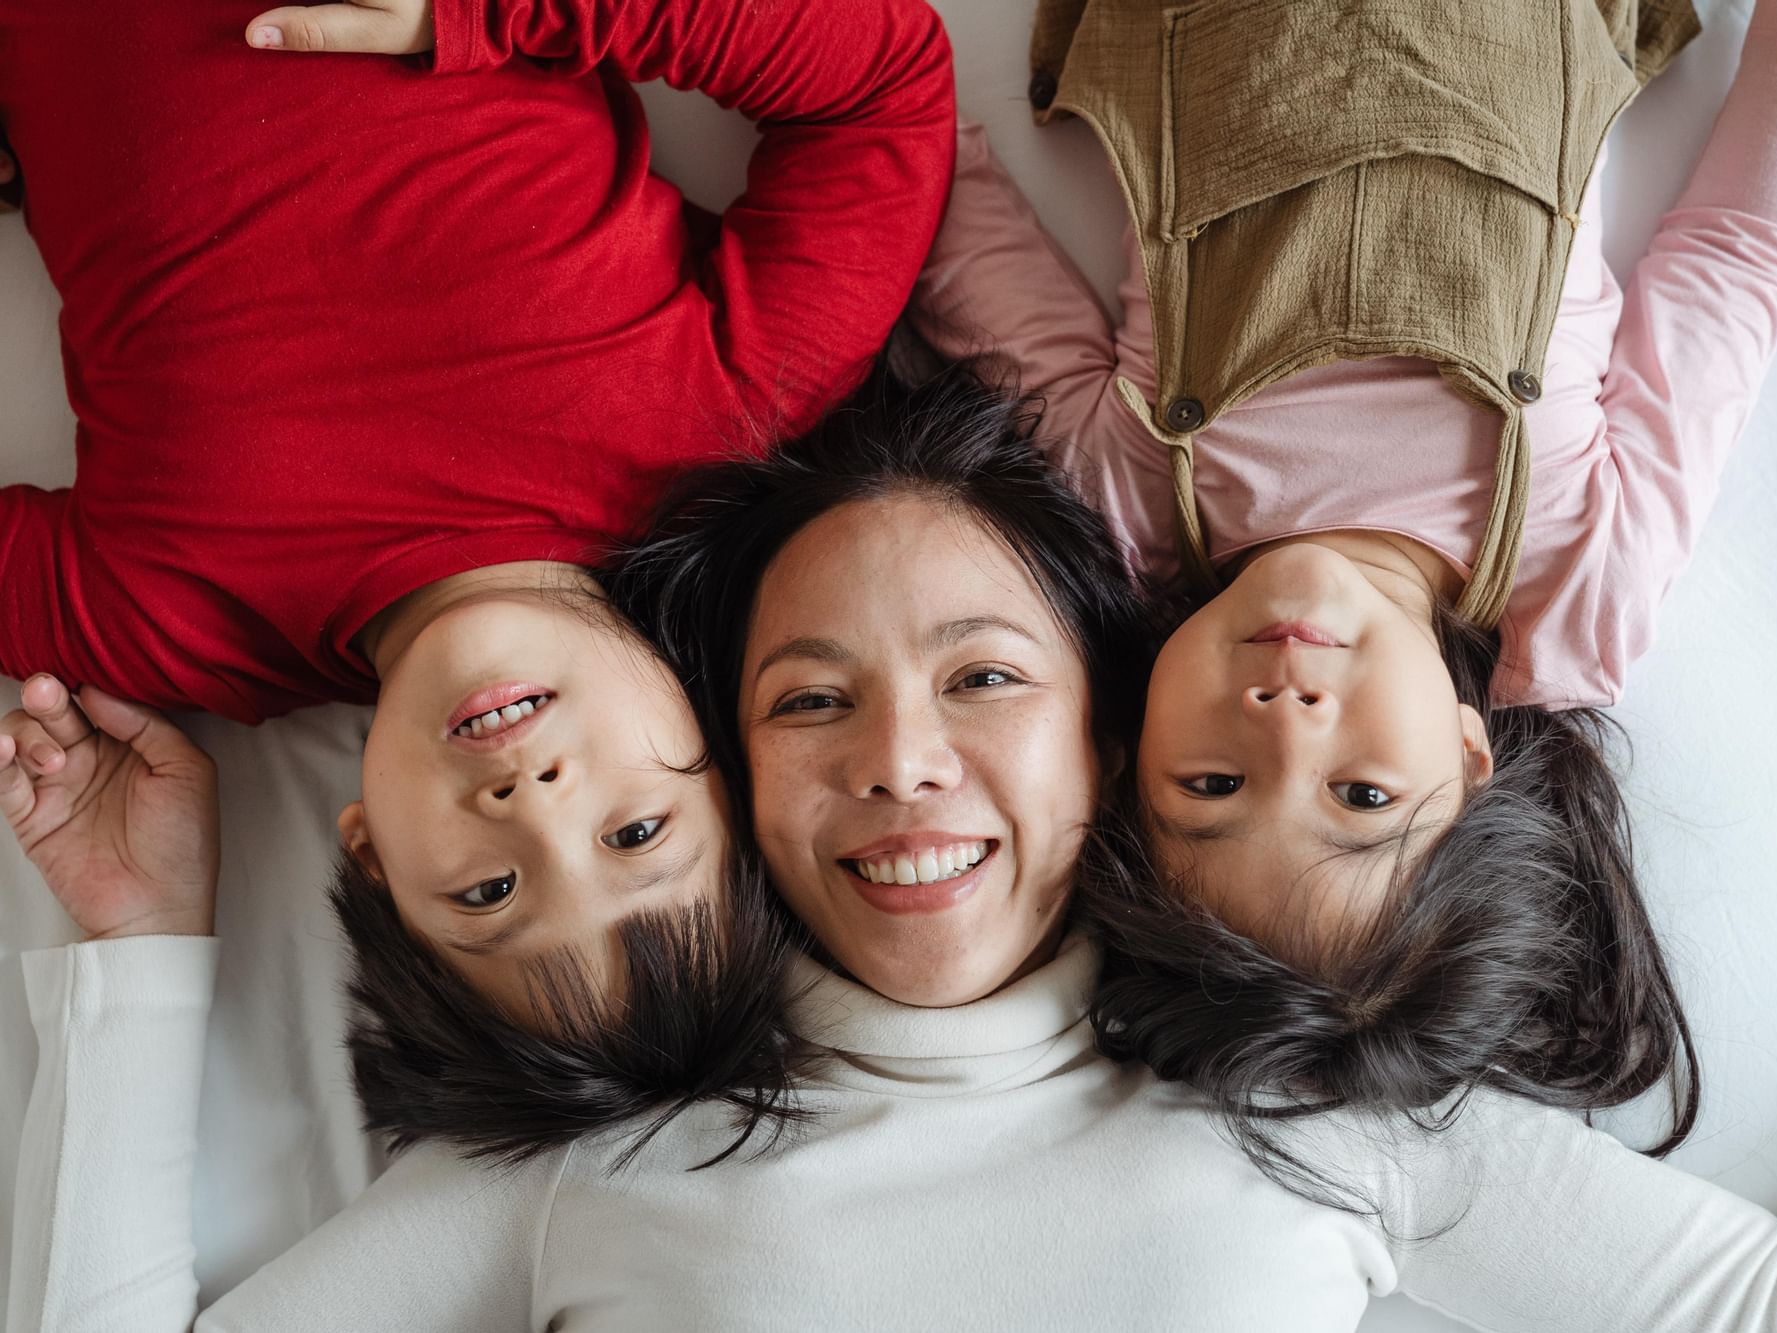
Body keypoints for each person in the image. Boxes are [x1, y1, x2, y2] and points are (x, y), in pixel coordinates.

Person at [12, 369, 1777, 1332]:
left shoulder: (1311, 1101)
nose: (900, 766)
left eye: (987, 677)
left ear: (1116, 732)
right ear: (712, 779)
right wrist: (135, 932)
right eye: (803, 703)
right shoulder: (593, 1154)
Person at [913, 0, 1777, 1161]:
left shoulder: (1124, 510)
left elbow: (946, 226)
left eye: (1211, 783)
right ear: (1472, 758)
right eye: (1361, 797)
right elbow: (1735, 255)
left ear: (1122, 756)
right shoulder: (1575, 577)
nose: (1284, 724)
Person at [0, 0, 954, 1051]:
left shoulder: (172, 624)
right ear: (716, 751)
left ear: (370, 856)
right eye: (636, 832)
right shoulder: (724, 420)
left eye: (488, 890)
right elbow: (882, 89)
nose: (532, 801)